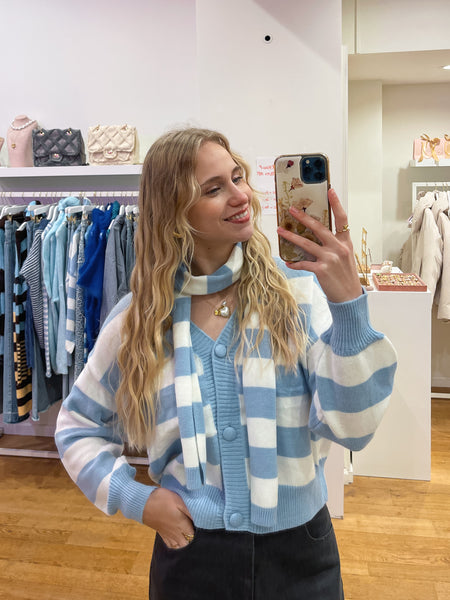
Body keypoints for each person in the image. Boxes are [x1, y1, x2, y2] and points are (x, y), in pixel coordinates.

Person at [55, 127, 397, 599]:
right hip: (191, 557)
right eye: (213, 189)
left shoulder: (296, 296)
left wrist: (349, 306)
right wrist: (138, 500)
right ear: (174, 211)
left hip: (300, 555)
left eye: (237, 178)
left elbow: (354, 429)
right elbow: (76, 427)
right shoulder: (139, 320)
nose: (242, 196)